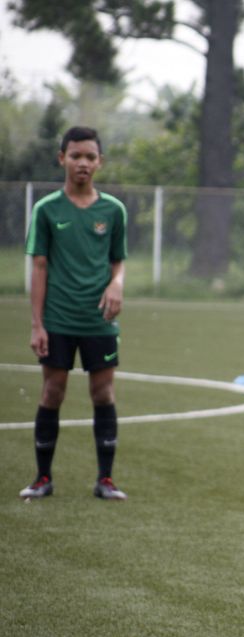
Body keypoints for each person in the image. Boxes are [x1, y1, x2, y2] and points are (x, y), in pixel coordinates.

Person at [20, 125, 128, 501]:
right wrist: (37, 324)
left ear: (100, 162)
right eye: (76, 155)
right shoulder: (47, 209)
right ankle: (42, 478)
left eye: (90, 157)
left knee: (103, 393)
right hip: (59, 319)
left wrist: (117, 283)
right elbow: (39, 268)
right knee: (52, 391)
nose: (83, 163)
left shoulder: (113, 211)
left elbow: (119, 262)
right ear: (62, 158)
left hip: (99, 320)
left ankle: (106, 480)